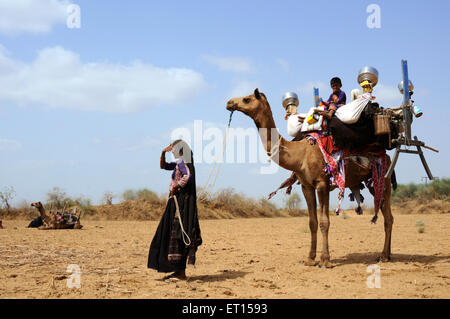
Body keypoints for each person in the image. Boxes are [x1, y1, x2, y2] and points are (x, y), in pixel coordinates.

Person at [148, 139, 202, 281]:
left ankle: (180, 273)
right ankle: (177, 271)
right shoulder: (179, 164)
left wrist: (176, 187)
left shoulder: (184, 164)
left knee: (178, 235)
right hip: (175, 203)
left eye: (174, 149)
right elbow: (163, 166)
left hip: (181, 205)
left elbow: (187, 177)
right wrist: (162, 153)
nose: (172, 151)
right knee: (170, 234)